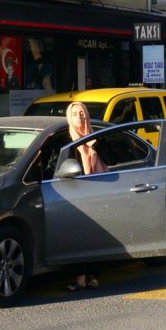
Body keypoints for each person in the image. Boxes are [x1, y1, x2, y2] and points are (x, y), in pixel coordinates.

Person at [65, 101, 105, 291]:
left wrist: (95, 146)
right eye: (75, 114)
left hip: (99, 194)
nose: (79, 116)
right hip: (76, 196)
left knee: (96, 236)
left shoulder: (97, 138)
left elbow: (112, 162)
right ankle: (81, 276)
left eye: (82, 113)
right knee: (79, 236)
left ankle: (93, 276)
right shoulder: (68, 143)